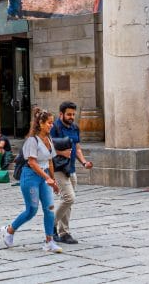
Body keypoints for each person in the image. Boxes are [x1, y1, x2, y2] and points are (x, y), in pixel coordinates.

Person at [1, 108, 63, 254]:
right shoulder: (32, 140)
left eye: (52, 123)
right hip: (30, 177)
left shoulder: (49, 139)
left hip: (44, 176)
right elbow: (32, 163)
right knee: (32, 210)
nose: (51, 126)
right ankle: (9, 230)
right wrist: (47, 177)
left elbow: (50, 162)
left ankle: (49, 241)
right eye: (49, 123)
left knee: (49, 208)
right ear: (40, 123)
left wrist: (52, 181)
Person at [50, 101, 93, 245]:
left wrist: (84, 162)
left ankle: (64, 233)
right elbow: (46, 147)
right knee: (69, 198)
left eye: (73, 114)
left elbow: (78, 148)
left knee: (68, 202)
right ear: (61, 114)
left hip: (71, 168)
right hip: (58, 168)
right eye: (69, 114)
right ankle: (50, 225)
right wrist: (62, 152)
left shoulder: (75, 128)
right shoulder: (54, 127)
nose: (71, 117)